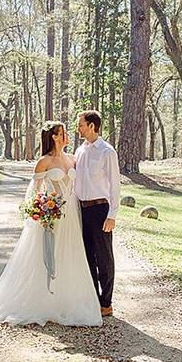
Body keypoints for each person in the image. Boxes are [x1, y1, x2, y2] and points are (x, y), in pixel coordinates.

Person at [0, 121, 102, 327]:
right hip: (51, 215)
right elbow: (34, 192)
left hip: (71, 214)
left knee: (69, 254)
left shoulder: (73, 158)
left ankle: (65, 301)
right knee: (46, 256)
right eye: (63, 133)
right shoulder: (44, 162)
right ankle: (41, 300)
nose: (67, 136)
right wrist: (41, 210)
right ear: (55, 137)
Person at [74, 110, 121, 318]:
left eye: (81, 124)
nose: (79, 128)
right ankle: (93, 298)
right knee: (87, 256)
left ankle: (106, 302)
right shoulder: (79, 151)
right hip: (81, 210)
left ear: (92, 126)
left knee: (104, 257)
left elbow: (115, 186)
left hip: (100, 210)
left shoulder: (107, 151)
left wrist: (112, 215)